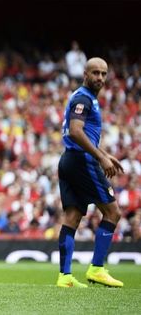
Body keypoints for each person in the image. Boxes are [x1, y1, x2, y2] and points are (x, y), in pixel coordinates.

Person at [57, 57, 124, 288]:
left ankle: (64, 276)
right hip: (81, 161)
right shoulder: (84, 98)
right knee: (113, 212)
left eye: (104, 74)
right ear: (85, 73)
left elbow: (81, 133)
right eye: (95, 73)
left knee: (73, 217)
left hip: (69, 160)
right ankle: (96, 268)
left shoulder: (82, 97)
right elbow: (76, 132)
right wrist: (101, 157)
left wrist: (105, 152)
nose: (100, 78)